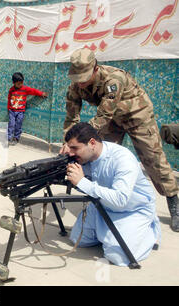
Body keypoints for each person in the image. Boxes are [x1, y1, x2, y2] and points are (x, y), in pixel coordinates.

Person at [61, 47, 179, 232]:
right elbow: (71, 117)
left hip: (137, 116)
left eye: (84, 77)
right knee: (99, 155)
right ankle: (104, 201)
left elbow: (102, 116)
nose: (80, 83)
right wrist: (68, 144)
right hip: (113, 120)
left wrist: (80, 139)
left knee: (153, 158)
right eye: (77, 78)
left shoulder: (113, 79)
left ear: (95, 68)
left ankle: (173, 202)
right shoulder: (76, 85)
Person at [64, 122, 161, 266]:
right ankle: (110, 236)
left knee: (118, 257)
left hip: (132, 210)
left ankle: (149, 232)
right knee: (78, 239)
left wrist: (82, 182)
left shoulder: (122, 159)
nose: (71, 153)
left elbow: (120, 199)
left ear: (92, 143)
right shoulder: (85, 157)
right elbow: (84, 184)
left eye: (75, 148)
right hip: (102, 205)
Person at [7, 72, 48, 146]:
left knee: (18, 124)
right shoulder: (11, 90)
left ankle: (16, 138)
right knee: (11, 124)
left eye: (21, 83)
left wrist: (41, 93)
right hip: (12, 111)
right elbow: (9, 99)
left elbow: (34, 91)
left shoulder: (25, 89)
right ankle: (9, 137)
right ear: (14, 83)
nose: (20, 85)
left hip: (20, 111)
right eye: (18, 83)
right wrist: (9, 109)